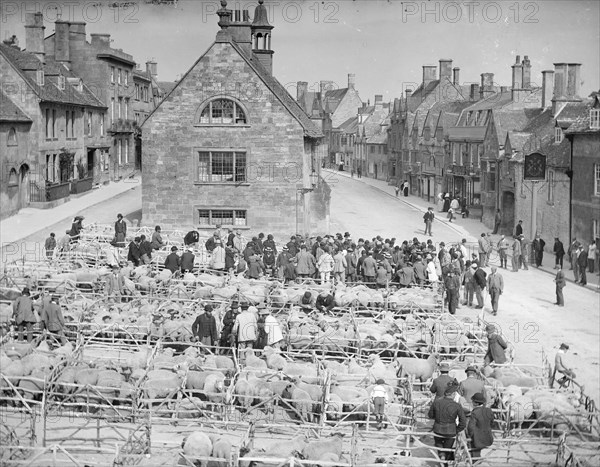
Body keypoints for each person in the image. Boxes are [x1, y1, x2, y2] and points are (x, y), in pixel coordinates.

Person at [428, 384, 467, 463]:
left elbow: (430, 415)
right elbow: (463, 421)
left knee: (439, 444)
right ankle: (445, 459)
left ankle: (442, 455)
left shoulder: (436, 402)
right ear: (452, 394)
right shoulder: (457, 405)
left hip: (438, 429)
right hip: (451, 431)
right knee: (448, 448)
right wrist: (457, 429)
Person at [467, 392, 494, 461]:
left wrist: (470, 435)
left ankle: (475, 461)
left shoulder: (475, 413)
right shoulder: (489, 410)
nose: (472, 402)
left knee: (472, 449)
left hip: (477, 439)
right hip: (488, 437)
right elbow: (492, 423)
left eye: (473, 401)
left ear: (476, 403)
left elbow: (470, 427)